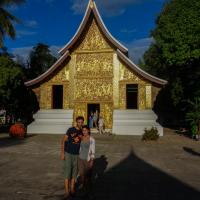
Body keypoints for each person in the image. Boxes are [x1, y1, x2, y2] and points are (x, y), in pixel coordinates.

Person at [61, 116, 84, 199]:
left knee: (74, 172)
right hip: (68, 153)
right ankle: (67, 192)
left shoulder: (82, 132)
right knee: (68, 172)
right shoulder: (70, 130)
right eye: (79, 122)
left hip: (77, 154)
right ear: (76, 122)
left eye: (81, 122)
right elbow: (63, 141)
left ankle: (72, 189)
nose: (80, 123)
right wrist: (62, 153)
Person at [78, 125, 95, 193]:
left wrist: (92, 161)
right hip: (80, 159)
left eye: (85, 130)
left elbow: (93, 151)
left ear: (88, 130)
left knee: (87, 176)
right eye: (83, 130)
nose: (84, 132)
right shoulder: (81, 138)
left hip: (87, 159)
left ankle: (88, 189)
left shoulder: (92, 139)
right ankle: (83, 187)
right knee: (81, 174)